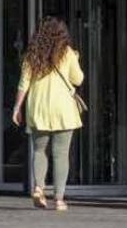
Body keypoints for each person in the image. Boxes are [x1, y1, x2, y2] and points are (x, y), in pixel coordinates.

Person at [12, 16, 84, 212]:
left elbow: (23, 83)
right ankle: (59, 199)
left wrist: (17, 108)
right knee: (61, 154)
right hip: (63, 110)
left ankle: (38, 188)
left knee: (39, 151)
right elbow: (78, 79)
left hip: (39, 108)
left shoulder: (32, 54)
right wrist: (75, 59)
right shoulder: (67, 53)